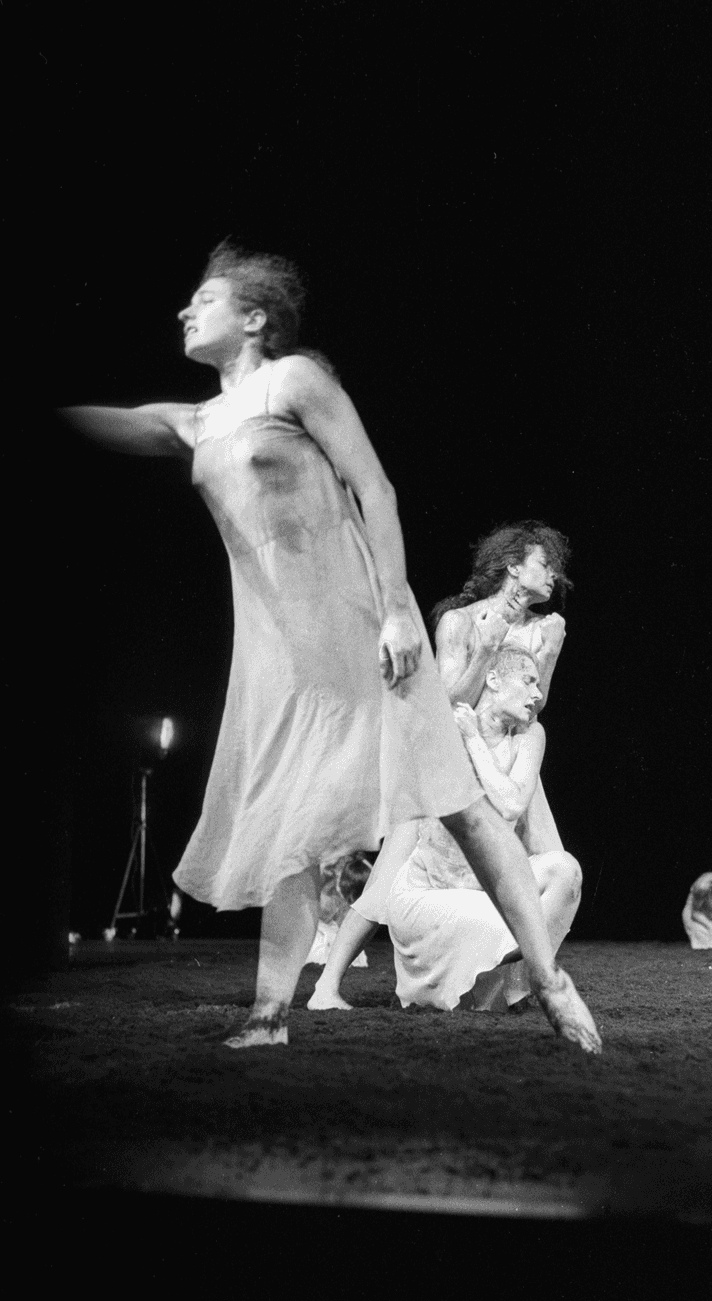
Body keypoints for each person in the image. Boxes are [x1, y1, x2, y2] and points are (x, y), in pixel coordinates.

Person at [60, 241, 601, 1055]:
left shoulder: (295, 381)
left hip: (363, 628)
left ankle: (550, 980)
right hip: (284, 654)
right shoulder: (197, 421)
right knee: (294, 818)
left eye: (204, 300)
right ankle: (268, 1015)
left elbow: (374, 487)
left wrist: (397, 610)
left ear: (255, 318)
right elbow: (118, 422)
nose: (184, 311)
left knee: (457, 802)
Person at [308, 521, 573, 1009]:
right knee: (390, 873)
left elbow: (534, 707)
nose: (554, 574)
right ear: (514, 567)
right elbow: (446, 704)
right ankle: (327, 985)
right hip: (449, 765)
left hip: (508, 762)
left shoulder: (543, 629)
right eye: (545, 563)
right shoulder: (460, 623)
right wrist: (486, 649)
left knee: (554, 869)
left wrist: (550, 655)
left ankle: (516, 988)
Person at [387, 646, 582, 1012]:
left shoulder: (529, 736)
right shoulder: (446, 731)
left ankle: (520, 985)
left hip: (483, 889)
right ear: (493, 679)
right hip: (433, 894)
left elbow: (511, 803)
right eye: (528, 681)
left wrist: (475, 739)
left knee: (565, 872)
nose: (537, 694)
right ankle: (492, 977)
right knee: (508, 921)